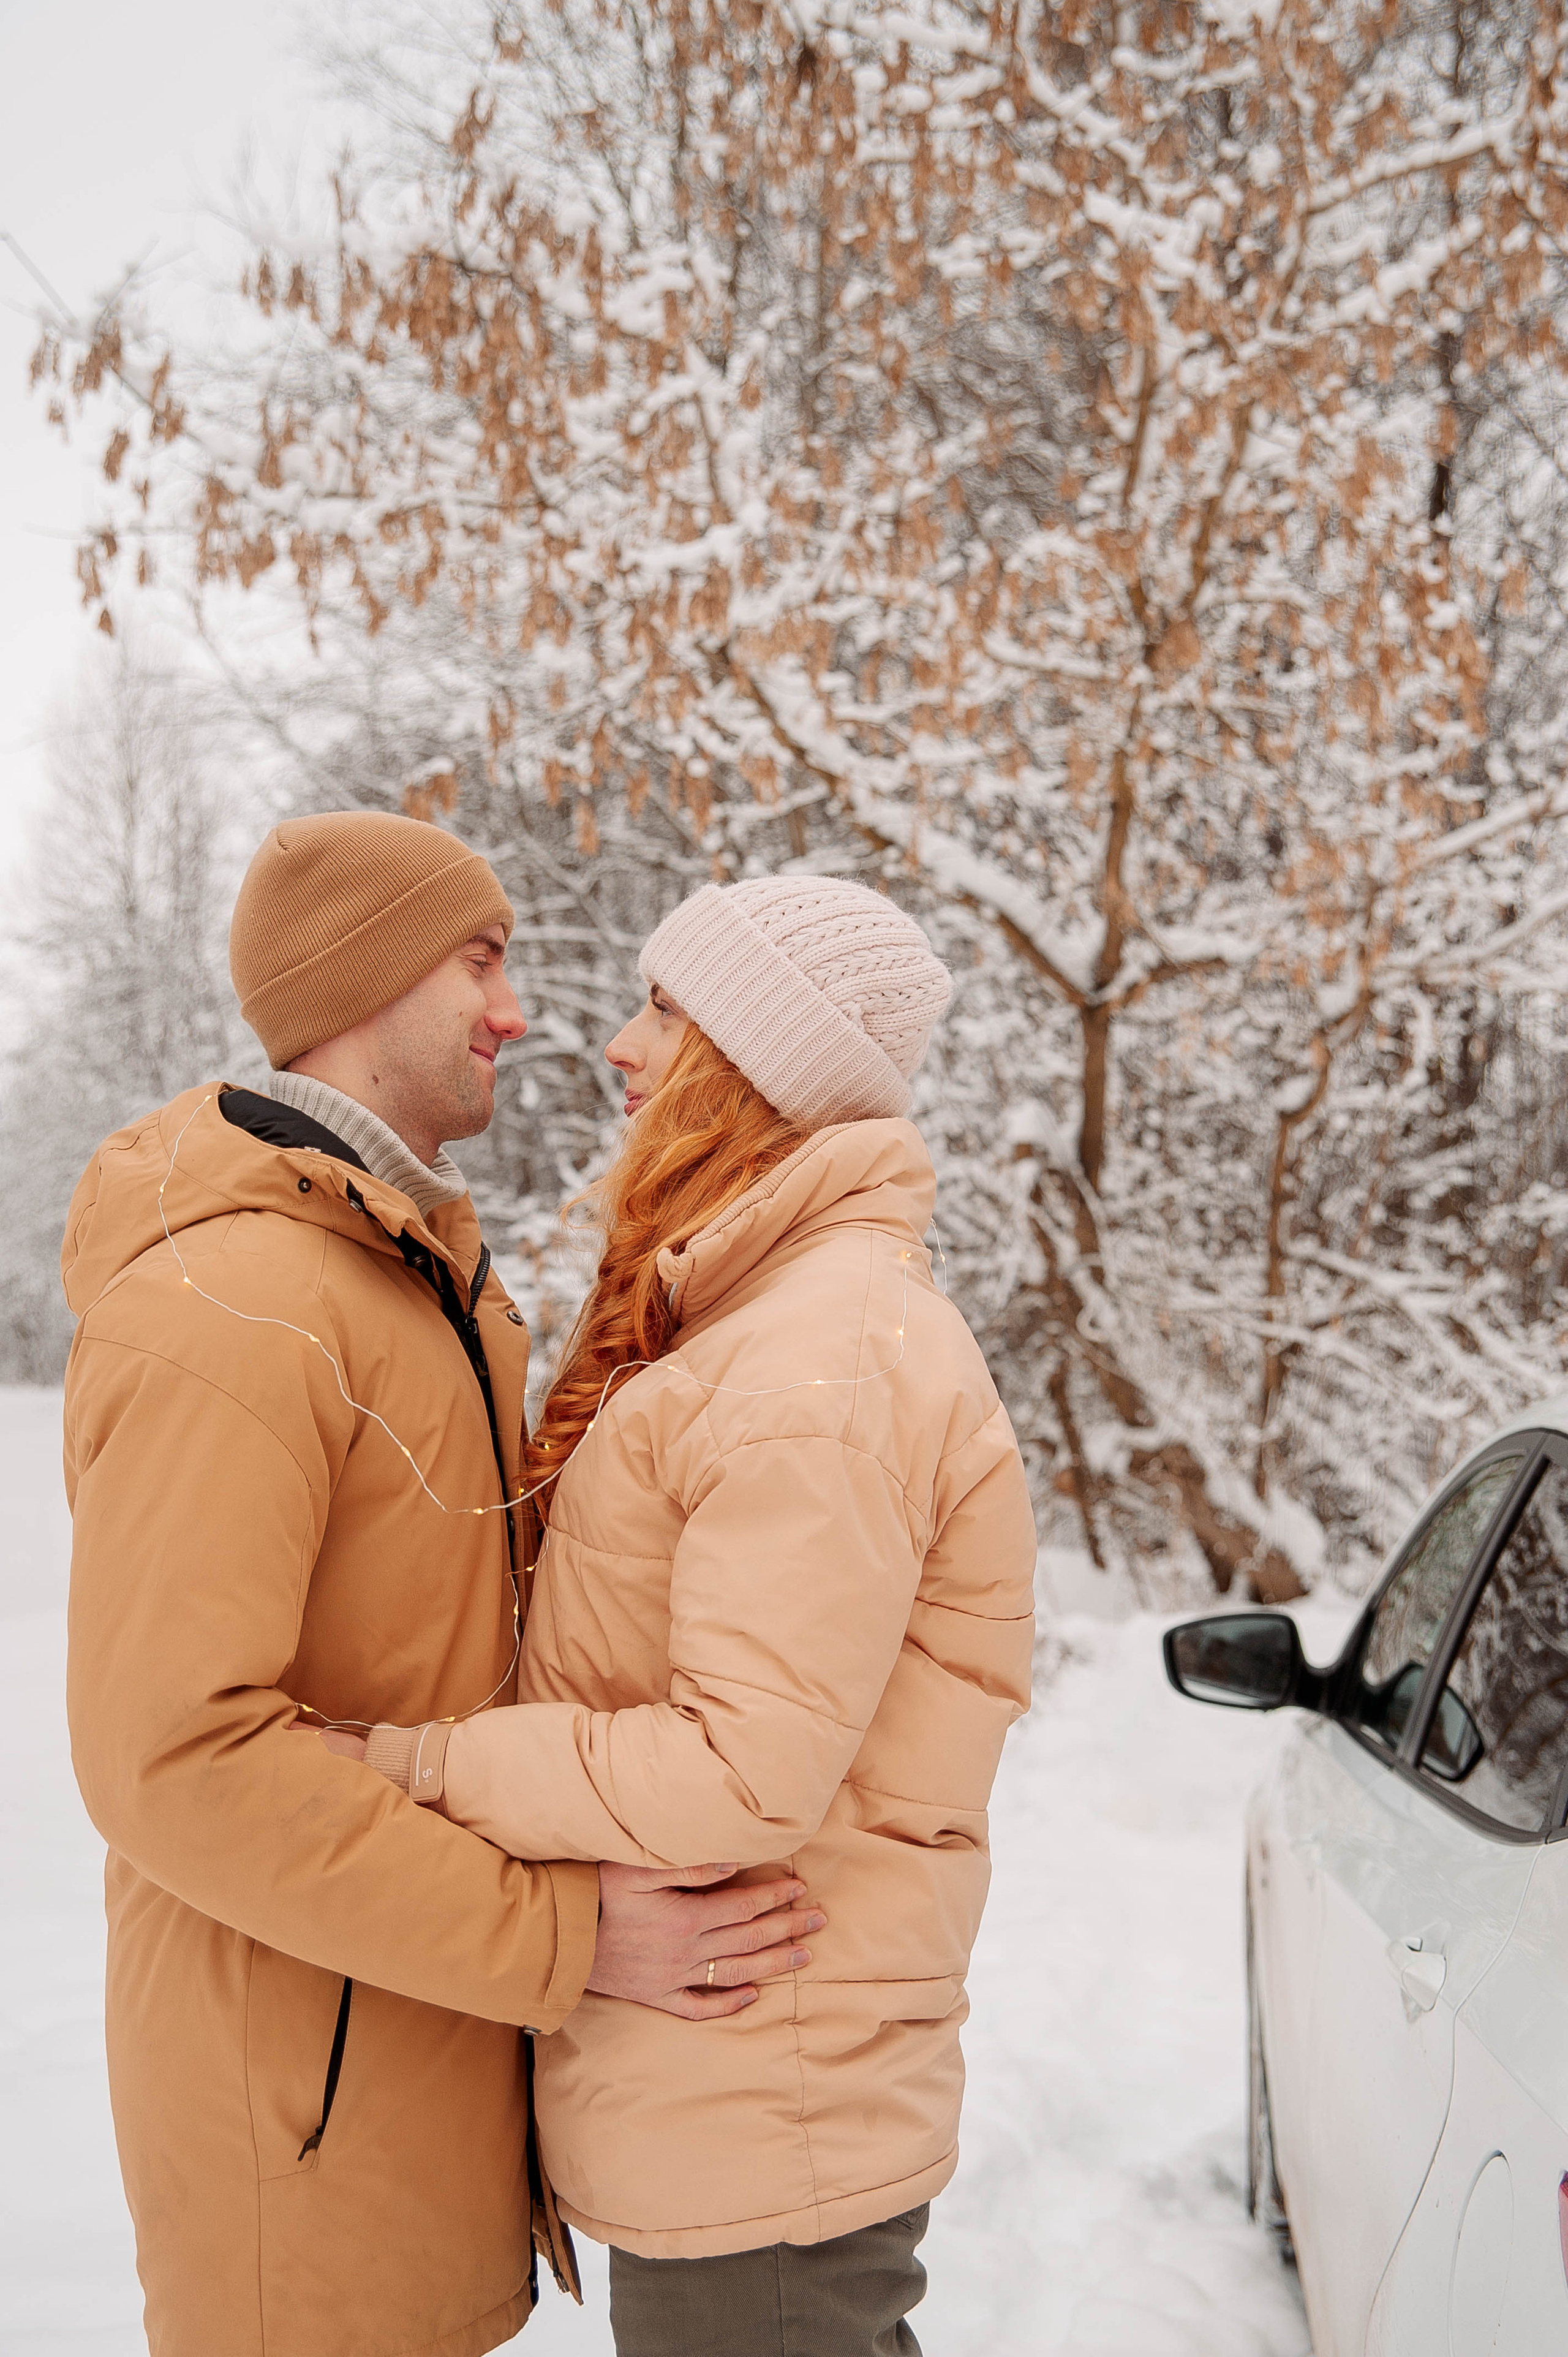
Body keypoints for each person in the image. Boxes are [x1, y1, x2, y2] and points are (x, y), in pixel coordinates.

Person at [61, 812, 823, 2357]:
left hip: (398, 2075)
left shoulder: (404, 1279)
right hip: (299, 2121)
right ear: (366, 975)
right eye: (482, 959)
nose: (516, 1010)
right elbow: (174, 1764)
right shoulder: (239, 1306)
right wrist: (564, 1937)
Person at [360, 875, 1038, 2356]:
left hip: (765, 2116)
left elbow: (739, 1775)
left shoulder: (820, 1365)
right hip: (736, 2098)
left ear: (757, 1062)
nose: (615, 1043)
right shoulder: (761, 1327)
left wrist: (419, 1767)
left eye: (665, 1009)